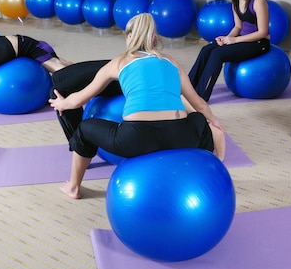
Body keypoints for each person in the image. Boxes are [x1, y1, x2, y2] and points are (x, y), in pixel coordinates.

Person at [49, 13, 226, 199]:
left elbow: (78, 100)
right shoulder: (171, 61)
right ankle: (205, 172)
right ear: (153, 38)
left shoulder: (119, 62)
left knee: (85, 129)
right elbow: (199, 104)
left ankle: (74, 187)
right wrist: (214, 120)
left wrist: (62, 103)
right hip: (179, 138)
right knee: (198, 120)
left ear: (129, 36)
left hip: (136, 139)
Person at [188, 0, 271, 101]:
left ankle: (200, 96)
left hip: (259, 43)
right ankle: (188, 88)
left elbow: (263, 32)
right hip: (242, 39)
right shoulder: (236, 0)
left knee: (217, 54)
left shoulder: (258, 1)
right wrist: (227, 38)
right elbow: (238, 26)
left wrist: (235, 41)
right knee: (206, 49)